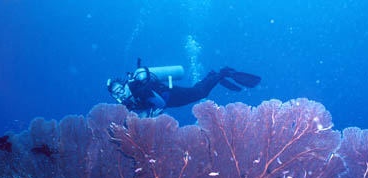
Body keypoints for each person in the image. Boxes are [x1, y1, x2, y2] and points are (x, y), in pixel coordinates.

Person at [107, 61, 261, 117]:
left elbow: (159, 103)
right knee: (197, 91)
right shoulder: (130, 100)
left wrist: (155, 112)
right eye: (114, 92)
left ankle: (223, 73)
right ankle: (212, 75)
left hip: (171, 95)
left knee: (201, 93)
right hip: (170, 98)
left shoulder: (136, 89)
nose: (118, 92)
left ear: (123, 84)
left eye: (118, 88)